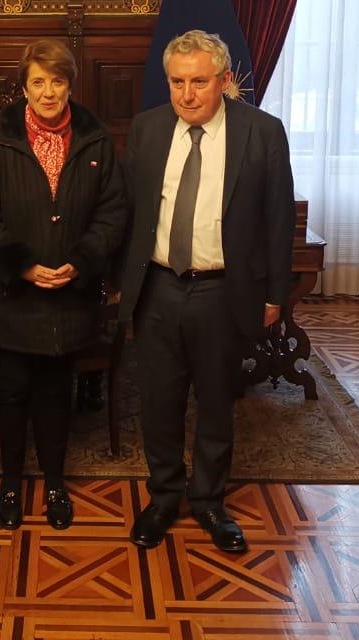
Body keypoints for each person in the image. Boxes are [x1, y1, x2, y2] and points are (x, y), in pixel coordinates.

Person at [117, 30, 295, 554]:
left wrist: (275, 296)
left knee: (216, 401)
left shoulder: (261, 132)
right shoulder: (148, 129)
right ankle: (164, 497)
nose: (187, 94)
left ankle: (210, 502)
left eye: (199, 82)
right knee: (158, 401)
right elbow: (131, 214)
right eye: (177, 82)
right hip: (157, 287)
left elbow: (278, 220)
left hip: (222, 290)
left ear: (223, 80)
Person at [0, 39, 128, 531]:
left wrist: (80, 263)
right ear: (24, 87)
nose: (48, 91)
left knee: (57, 393)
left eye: (57, 81)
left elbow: (113, 212)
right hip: (15, 293)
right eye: (38, 81)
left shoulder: (96, 140)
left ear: (70, 84)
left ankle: (55, 483)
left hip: (70, 295)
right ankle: (11, 484)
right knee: (12, 393)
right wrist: (23, 266)